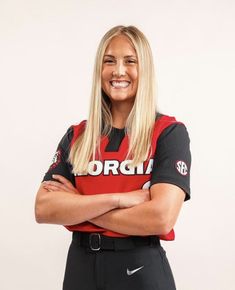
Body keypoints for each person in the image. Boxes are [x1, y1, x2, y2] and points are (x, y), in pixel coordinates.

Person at [34, 25, 191, 290]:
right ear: (100, 70)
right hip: (80, 267)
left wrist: (79, 206)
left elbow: (161, 217)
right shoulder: (77, 136)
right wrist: (117, 200)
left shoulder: (168, 133)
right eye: (109, 61)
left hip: (140, 266)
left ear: (145, 70)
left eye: (130, 61)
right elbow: (44, 209)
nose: (118, 71)